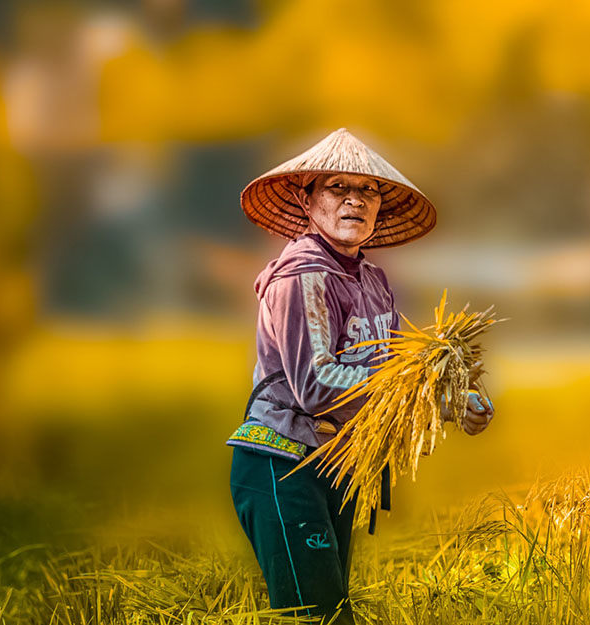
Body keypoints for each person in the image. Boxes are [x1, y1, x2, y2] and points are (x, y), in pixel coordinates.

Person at [226, 128, 494, 623]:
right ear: (306, 201)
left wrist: (453, 398)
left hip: (337, 466)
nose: (355, 200)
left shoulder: (372, 280)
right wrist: (425, 395)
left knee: (330, 610)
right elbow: (318, 383)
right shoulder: (302, 276)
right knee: (320, 617)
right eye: (337, 187)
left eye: (368, 190)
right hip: (283, 463)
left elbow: (398, 368)